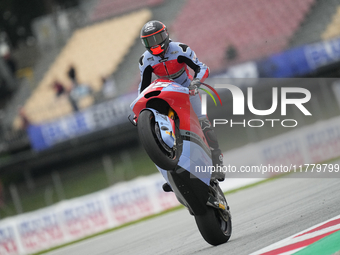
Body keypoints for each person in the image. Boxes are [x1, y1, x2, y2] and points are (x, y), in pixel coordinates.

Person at [138, 20, 225, 189]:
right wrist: (140, 110)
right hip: (166, 97)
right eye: (150, 41)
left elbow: (202, 68)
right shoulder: (145, 60)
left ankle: (217, 160)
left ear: (166, 35)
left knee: (203, 123)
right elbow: (144, 88)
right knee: (161, 131)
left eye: (158, 38)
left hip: (187, 91)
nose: (155, 45)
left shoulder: (180, 49)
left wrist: (196, 83)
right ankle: (173, 174)